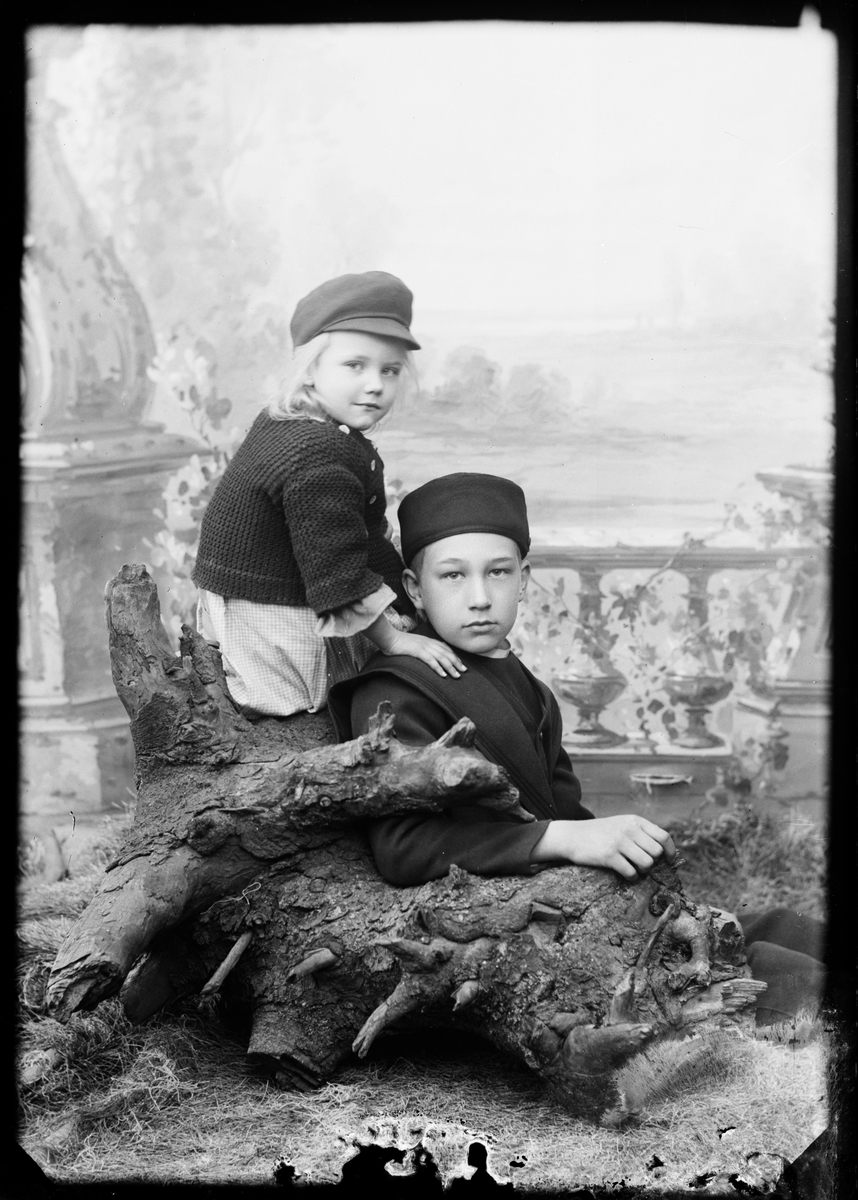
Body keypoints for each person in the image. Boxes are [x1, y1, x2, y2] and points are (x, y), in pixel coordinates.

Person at [328, 472, 826, 1025]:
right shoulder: (395, 690)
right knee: (777, 972)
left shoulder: (526, 685)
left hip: (571, 900)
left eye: (498, 572)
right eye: (452, 575)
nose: (479, 598)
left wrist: (612, 851)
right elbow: (401, 849)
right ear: (415, 588)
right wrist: (565, 837)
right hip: (512, 934)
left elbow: (562, 807)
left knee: (780, 926)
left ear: (523, 579)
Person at [192, 272, 465, 718]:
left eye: (390, 370)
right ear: (309, 370)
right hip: (270, 616)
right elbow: (337, 572)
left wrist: (407, 604)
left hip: (267, 596)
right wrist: (396, 639)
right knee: (342, 698)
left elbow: (359, 536)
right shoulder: (315, 451)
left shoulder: (299, 423)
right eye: (355, 365)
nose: (375, 384)